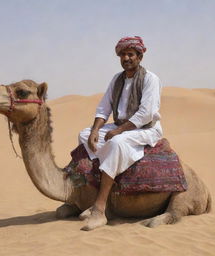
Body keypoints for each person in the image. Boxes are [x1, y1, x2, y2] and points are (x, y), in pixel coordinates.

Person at [78, 36, 163, 230]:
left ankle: (99, 210)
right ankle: (110, 169)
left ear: (139, 57)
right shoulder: (117, 80)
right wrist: (95, 130)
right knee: (84, 135)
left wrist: (118, 131)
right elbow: (103, 107)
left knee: (116, 144)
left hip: (145, 128)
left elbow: (145, 113)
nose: (126, 58)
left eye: (130, 54)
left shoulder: (151, 79)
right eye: (123, 54)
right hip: (120, 125)